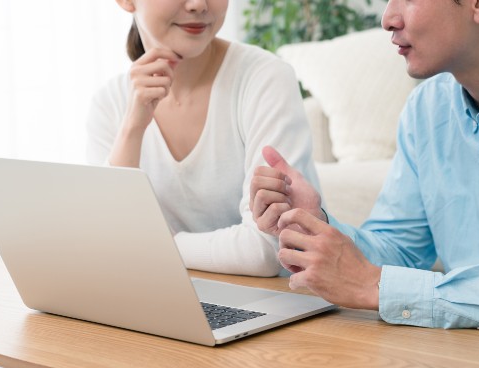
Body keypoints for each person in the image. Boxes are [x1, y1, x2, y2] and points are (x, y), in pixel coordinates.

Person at [250, 0, 479, 368]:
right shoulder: (427, 109)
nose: (388, 19)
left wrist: (378, 286)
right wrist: (316, 227)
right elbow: (399, 250)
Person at [86, 0, 320, 278]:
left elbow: (266, 250)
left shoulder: (264, 78)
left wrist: (157, 247)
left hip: (273, 301)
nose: (198, 4)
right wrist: (132, 129)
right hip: (167, 295)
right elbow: (108, 246)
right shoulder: (109, 102)